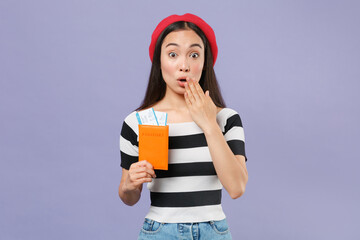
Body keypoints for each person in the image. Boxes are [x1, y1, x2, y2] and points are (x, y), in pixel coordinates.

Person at [118, 13, 248, 240]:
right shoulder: (137, 122)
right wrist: (130, 183)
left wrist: (208, 124)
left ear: (205, 62)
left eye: (194, 54)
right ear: (160, 61)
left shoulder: (226, 119)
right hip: (159, 231)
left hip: (213, 231)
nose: (184, 65)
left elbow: (237, 188)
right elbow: (128, 197)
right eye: (172, 54)